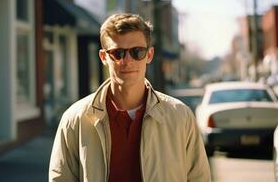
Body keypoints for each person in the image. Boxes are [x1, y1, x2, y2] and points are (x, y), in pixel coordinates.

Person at [49, 13, 211, 182]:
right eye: (117, 53)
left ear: (149, 55)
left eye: (137, 52)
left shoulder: (180, 117)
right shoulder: (75, 119)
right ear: (104, 57)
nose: (127, 61)